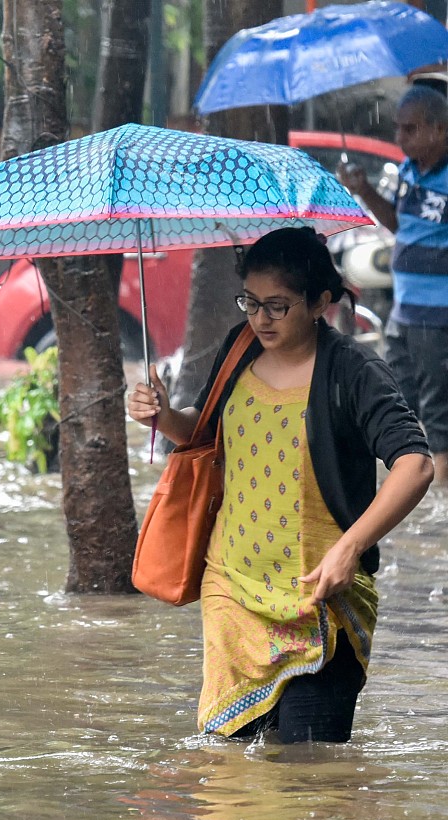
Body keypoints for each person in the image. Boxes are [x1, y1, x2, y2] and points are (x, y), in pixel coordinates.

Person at [128, 227, 433, 743]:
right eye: (250, 302)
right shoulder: (238, 348)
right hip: (232, 593)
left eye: (277, 306)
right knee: (230, 779)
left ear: (319, 302)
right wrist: (163, 416)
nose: (260, 319)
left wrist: (348, 548)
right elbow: (203, 430)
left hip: (320, 601)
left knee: (308, 775)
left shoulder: (353, 370)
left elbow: (416, 465)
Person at [338, 85, 448, 486]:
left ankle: (440, 495)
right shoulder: (407, 172)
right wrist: (364, 190)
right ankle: (411, 488)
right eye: (398, 128)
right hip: (404, 309)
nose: (400, 138)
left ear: (439, 129)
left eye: (410, 129)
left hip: (437, 313)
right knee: (400, 401)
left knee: (438, 410)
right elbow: (400, 225)